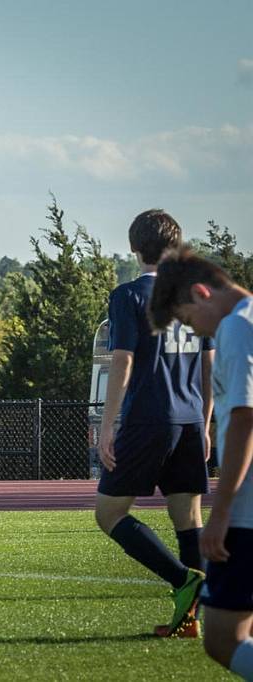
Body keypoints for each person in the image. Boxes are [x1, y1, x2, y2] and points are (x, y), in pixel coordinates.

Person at [94, 210, 213, 638]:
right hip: (190, 419)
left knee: (109, 513)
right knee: (188, 516)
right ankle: (192, 620)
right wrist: (206, 422)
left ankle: (183, 581)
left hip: (148, 419)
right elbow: (207, 363)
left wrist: (108, 425)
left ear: (133, 247)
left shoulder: (128, 296)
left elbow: (122, 361)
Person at [148, 249, 253, 679]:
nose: (195, 331)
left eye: (188, 321)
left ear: (200, 292)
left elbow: (246, 418)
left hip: (248, 512)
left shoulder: (235, 327)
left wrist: (222, 513)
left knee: (221, 639)